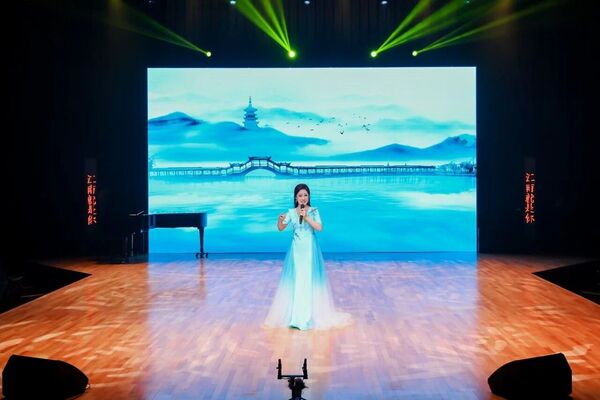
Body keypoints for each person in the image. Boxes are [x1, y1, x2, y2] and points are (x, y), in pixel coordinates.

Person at [264, 183, 351, 330]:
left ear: (309, 197)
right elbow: (280, 228)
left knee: (308, 280)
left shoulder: (314, 211)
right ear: (295, 198)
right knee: (298, 280)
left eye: (305, 195)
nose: (303, 198)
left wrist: (306, 217)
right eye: (300, 195)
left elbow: (319, 227)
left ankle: (309, 316)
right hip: (296, 251)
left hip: (310, 250)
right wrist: (279, 220)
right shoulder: (291, 212)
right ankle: (295, 317)